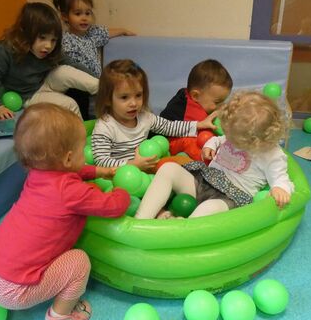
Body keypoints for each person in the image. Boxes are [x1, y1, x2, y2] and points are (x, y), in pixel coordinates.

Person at [0, 103, 130, 320]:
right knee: (79, 261)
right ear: (69, 157)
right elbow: (115, 206)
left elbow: (69, 172)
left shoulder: (37, 174)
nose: (84, 154)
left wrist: (98, 171)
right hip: (13, 290)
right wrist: (123, 188)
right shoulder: (72, 192)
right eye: (83, 150)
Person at [135, 91, 294, 219]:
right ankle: (141, 220)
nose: (227, 137)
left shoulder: (272, 155)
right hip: (205, 180)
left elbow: (281, 178)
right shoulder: (235, 134)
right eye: (228, 133)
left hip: (230, 198)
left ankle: (180, 233)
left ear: (255, 142)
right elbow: (219, 139)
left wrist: (280, 188)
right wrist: (210, 145)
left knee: (207, 208)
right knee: (169, 169)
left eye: (232, 137)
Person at [91, 59, 217, 172]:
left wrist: (199, 125)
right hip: (118, 175)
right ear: (108, 99)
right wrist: (132, 165)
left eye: (138, 95)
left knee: (178, 163)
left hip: (146, 170)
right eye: (124, 97)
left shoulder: (145, 117)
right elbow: (101, 161)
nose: (133, 103)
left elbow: (169, 126)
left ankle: (208, 171)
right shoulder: (105, 127)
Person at [0, 2, 99, 120]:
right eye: (42, 38)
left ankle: (108, 92)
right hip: (28, 96)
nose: (48, 46)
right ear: (25, 32)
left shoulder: (51, 50)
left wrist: (101, 80)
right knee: (69, 104)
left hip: (46, 81)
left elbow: (73, 65)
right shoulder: (2, 50)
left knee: (67, 71)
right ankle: (79, 135)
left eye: (53, 40)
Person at [51, 0, 135, 119]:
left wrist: (123, 31)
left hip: (95, 83)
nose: (84, 18)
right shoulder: (66, 40)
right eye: (78, 14)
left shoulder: (92, 34)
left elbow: (107, 32)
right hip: (77, 86)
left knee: (99, 105)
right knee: (80, 103)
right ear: (65, 16)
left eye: (88, 13)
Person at [160, 59, 233, 160]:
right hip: (170, 142)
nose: (220, 106)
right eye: (217, 102)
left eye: (223, 101)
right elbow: (206, 132)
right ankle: (206, 162)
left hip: (180, 136)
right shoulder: (190, 110)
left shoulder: (199, 100)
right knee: (194, 143)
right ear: (195, 96)